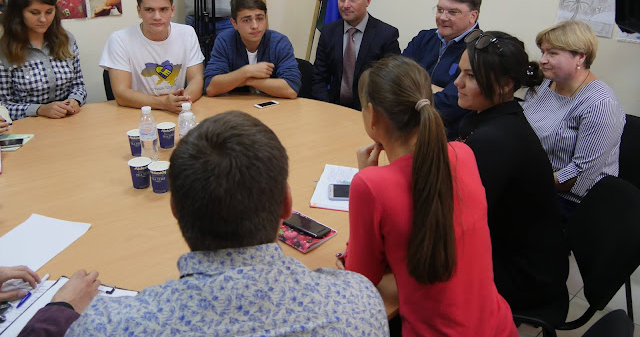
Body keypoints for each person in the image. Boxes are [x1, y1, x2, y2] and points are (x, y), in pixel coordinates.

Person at [21, 111, 390, 336]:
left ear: (174, 209)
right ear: (286, 205)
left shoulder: (108, 326)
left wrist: (59, 310)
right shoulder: (357, 300)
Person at [341, 55, 517, 337]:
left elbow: (360, 278)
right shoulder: (463, 154)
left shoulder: (371, 185)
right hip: (499, 327)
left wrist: (366, 176)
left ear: (372, 115)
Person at [455, 30, 569, 319]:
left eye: (470, 76)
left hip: (524, 275)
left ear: (506, 84)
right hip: (513, 249)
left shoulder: (496, 139)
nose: (457, 82)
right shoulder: (489, 117)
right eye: (460, 72)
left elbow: (454, 217)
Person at [522, 20, 626, 218]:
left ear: (581, 56)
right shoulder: (545, 84)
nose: (543, 60)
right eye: (543, 52)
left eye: (552, 53)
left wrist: (524, 181)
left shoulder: (601, 104)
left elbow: (577, 176)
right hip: (535, 181)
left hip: (570, 201)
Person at [100, 0, 204, 113]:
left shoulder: (187, 33)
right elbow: (121, 94)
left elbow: (197, 79)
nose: (157, 17)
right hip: (138, 113)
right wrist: (163, 103)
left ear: (172, 10)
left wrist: (182, 100)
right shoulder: (119, 39)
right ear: (139, 11)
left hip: (175, 111)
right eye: (149, 10)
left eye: (163, 9)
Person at [403, 0, 481, 139]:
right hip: (406, 129)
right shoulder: (424, 38)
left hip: (446, 138)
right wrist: (435, 89)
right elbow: (393, 79)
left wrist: (411, 90)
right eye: (440, 10)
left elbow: (451, 104)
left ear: (473, 16)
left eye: (453, 12)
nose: (443, 17)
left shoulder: (480, 51)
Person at [0, 0, 87, 121]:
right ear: (19, 13)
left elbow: (78, 85)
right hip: (28, 125)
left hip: (68, 121)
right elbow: (3, 106)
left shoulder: (67, 40)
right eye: (34, 13)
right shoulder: (4, 50)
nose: (43, 19)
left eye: (49, 11)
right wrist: (39, 109)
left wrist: (75, 100)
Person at [312, 0, 400, 110]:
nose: (346, 5)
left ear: (368, 0)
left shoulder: (386, 35)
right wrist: (326, 108)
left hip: (369, 111)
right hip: (332, 108)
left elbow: (390, 83)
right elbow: (318, 78)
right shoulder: (329, 32)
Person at [204, 0, 300, 99]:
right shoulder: (225, 40)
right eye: (246, 20)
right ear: (234, 23)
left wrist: (249, 80)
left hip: (273, 106)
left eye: (260, 19)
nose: (255, 26)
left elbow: (291, 89)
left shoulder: (279, 42)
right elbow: (211, 87)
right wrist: (245, 72)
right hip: (236, 105)